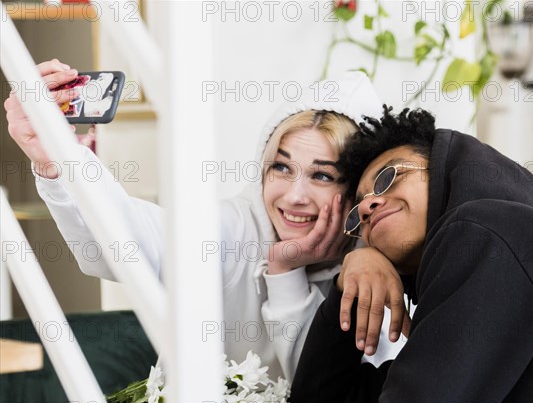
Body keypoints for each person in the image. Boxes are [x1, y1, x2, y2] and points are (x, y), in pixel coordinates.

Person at [61, 106, 533, 403]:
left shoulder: (487, 231)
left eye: (387, 180)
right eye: (358, 210)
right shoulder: (464, 264)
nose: (372, 206)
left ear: (444, 168)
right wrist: (354, 265)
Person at [4, 60, 409, 382]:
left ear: (357, 187)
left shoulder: (378, 265)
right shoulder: (234, 228)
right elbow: (129, 242)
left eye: (322, 175)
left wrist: (331, 264)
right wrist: (58, 159)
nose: (294, 195)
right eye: (281, 168)